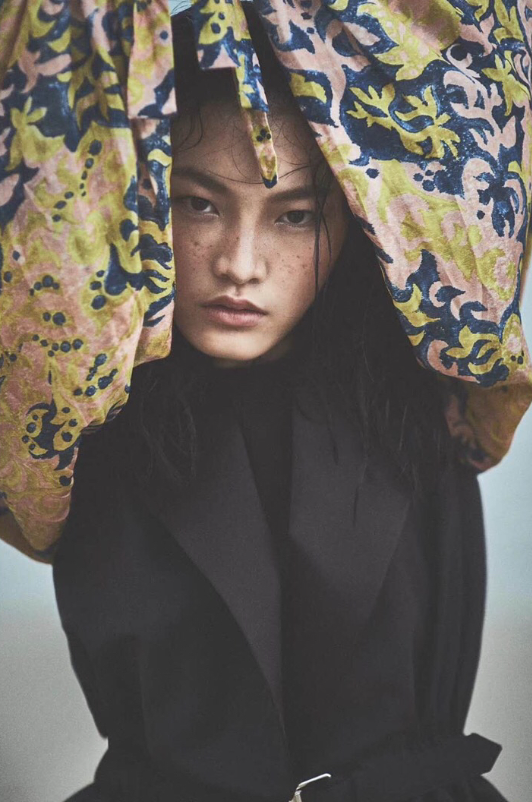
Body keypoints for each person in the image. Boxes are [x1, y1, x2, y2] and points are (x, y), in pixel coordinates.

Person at [51, 6, 506, 802]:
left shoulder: (426, 411)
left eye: (294, 215)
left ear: (357, 223)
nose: (240, 263)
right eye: (199, 204)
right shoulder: (75, 423)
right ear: (145, 202)